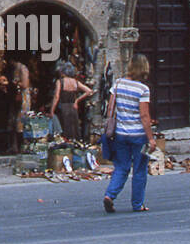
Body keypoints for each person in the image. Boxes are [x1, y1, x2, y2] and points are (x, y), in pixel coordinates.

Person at [103, 54, 157, 214]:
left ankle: (110, 195)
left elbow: (110, 108)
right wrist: (151, 138)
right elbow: (144, 116)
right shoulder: (142, 89)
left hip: (120, 134)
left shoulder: (118, 83)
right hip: (139, 136)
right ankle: (137, 204)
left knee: (121, 167)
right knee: (140, 169)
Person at [47, 62, 93, 141]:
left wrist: (52, 110)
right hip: (73, 107)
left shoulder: (60, 81)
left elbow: (56, 97)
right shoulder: (75, 82)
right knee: (74, 128)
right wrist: (77, 100)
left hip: (64, 108)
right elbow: (89, 91)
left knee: (65, 129)